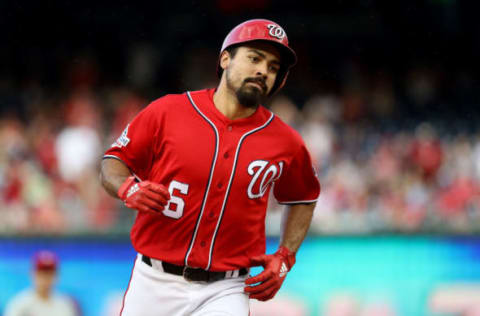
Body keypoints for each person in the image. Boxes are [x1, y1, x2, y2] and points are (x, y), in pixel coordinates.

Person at [100, 18, 320, 316]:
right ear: (225, 58)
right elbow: (114, 162)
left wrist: (285, 256)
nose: (263, 71)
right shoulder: (168, 111)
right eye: (255, 58)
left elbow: (304, 197)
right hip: (154, 280)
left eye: (272, 67)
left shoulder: (286, 142)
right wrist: (128, 188)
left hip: (226, 288)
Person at [4, 250, 78, 316]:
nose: (45, 278)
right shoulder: (19, 304)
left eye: (49, 273)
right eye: (41, 273)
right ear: (32, 273)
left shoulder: (65, 305)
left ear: (57, 275)